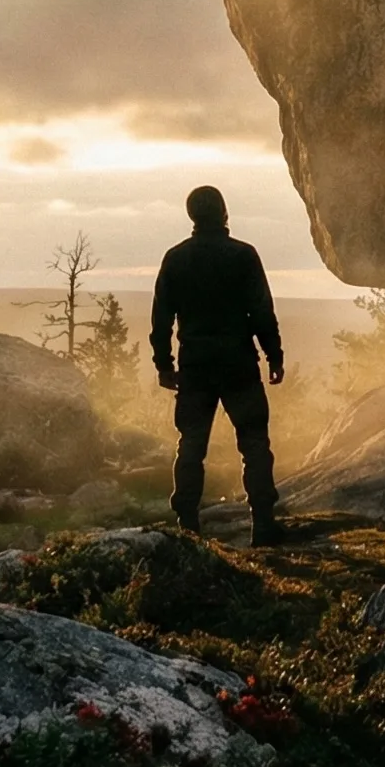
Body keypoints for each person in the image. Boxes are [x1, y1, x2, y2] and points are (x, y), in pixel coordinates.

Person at [148, 185, 287, 545]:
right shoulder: (243, 255)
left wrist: (164, 365)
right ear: (224, 212)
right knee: (254, 443)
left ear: (192, 215)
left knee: (191, 445)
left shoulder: (176, 258)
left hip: (195, 365)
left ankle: (188, 524)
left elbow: (161, 319)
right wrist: (273, 355)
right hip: (238, 362)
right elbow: (262, 311)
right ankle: (264, 524)